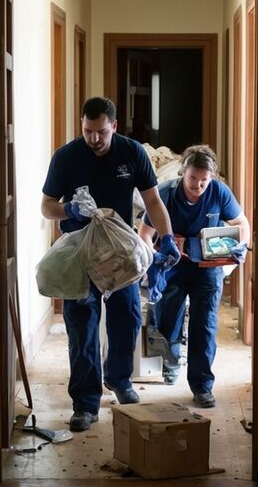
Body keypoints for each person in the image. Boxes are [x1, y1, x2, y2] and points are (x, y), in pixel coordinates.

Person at [41, 97, 180, 432]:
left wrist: (168, 237)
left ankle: (119, 379)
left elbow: (153, 200)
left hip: (119, 251)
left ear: (114, 126)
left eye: (101, 131)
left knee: (127, 317)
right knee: (82, 324)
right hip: (80, 251)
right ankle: (85, 404)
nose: (94, 139)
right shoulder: (67, 156)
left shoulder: (132, 153)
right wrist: (68, 210)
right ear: (82, 125)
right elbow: (47, 206)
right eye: (88, 131)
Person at [138, 145, 250, 408]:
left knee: (205, 324)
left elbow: (241, 224)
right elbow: (143, 233)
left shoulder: (219, 192)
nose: (198, 186)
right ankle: (172, 361)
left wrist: (240, 245)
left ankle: (201, 385)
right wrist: (152, 257)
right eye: (192, 179)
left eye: (204, 180)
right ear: (182, 172)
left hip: (207, 268)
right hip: (173, 265)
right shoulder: (165, 194)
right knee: (168, 319)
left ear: (211, 178)